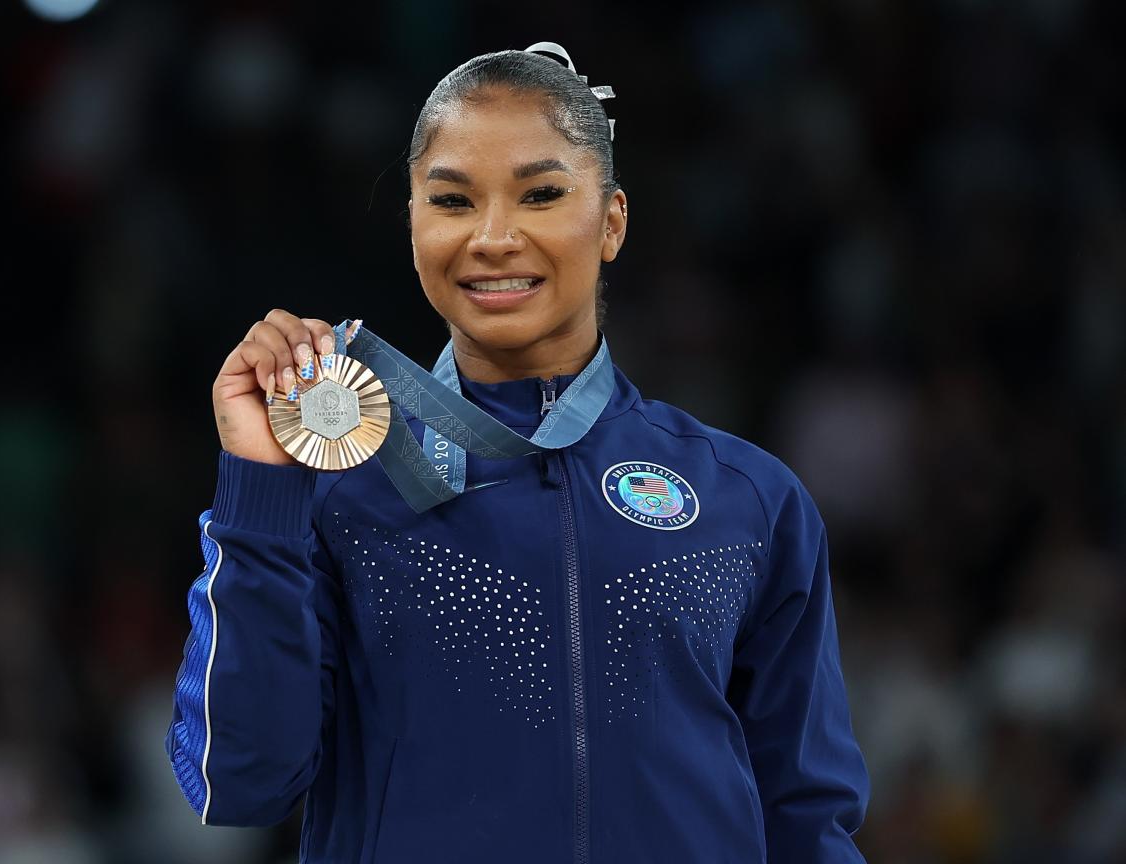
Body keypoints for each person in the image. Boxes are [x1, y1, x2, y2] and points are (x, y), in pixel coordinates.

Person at [166, 43, 870, 863]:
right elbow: (239, 781)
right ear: (414, 224)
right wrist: (259, 486)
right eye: (453, 201)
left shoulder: (747, 499)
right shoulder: (337, 493)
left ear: (611, 222)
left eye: (540, 194)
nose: (494, 237)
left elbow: (808, 820)